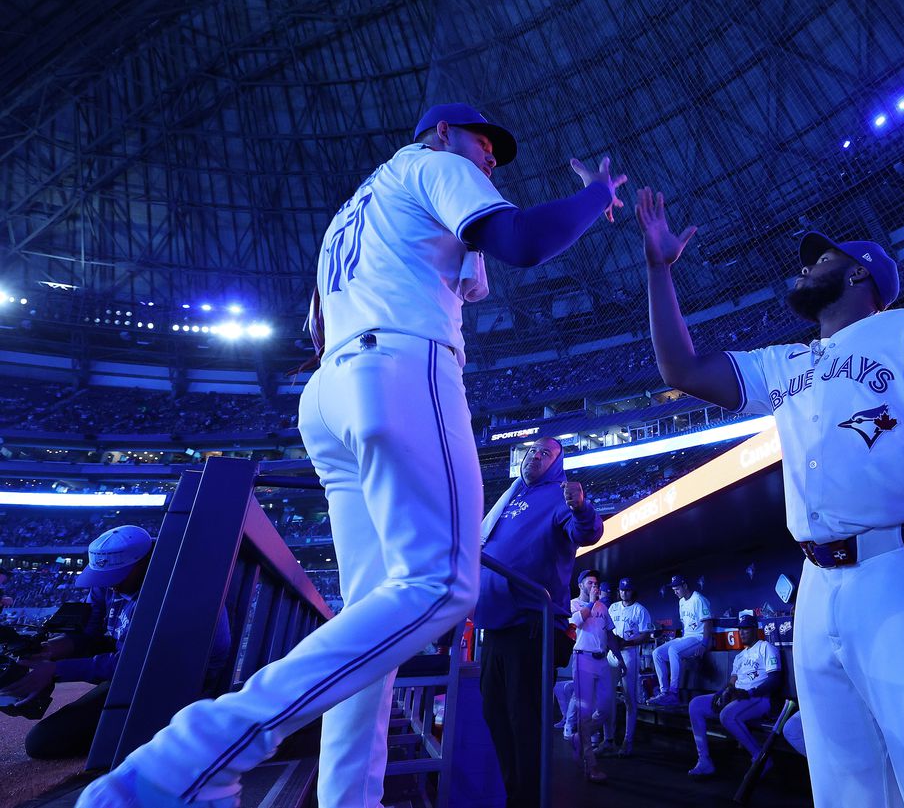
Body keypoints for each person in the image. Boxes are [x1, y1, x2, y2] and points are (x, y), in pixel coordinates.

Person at [77, 104, 625, 808]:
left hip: (332, 391)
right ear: (439, 135)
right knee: (443, 584)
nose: (489, 158)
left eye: (493, 152)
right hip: (399, 366)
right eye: (481, 143)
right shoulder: (433, 165)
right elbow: (520, 238)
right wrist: (595, 196)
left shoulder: (353, 211)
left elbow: (413, 291)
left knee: (375, 629)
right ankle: (196, 752)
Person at [634, 186, 904, 808]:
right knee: (845, 785)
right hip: (818, 583)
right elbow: (681, 369)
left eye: (821, 258)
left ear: (862, 272)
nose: (806, 266)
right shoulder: (785, 362)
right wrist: (658, 270)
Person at [1, 526, 230, 760]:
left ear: (143, 563)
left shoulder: (176, 591)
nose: (109, 584)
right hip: (133, 670)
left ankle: (173, 733)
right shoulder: (111, 582)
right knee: (48, 735)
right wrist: (49, 651)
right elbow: (91, 635)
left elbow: (145, 662)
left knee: (44, 742)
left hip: (174, 682)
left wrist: (56, 671)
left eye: (115, 576)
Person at [476, 437, 603, 806]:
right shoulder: (510, 497)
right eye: (532, 450)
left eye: (546, 452)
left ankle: (527, 799)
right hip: (495, 625)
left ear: (557, 464)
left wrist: (580, 507)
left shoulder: (558, 495)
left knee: (523, 719)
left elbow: (587, 532)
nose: (536, 455)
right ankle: (513, 793)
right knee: (494, 714)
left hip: (530, 624)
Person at [686, 612, 780, 777]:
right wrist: (722, 692)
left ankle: (761, 758)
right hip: (739, 697)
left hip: (758, 698)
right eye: (740, 629)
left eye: (746, 629)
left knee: (727, 715)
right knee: (696, 705)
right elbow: (732, 681)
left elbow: (775, 680)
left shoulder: (766, 648)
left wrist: (750, 692)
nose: (742, 632)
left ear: (754, 629)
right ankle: (704, 761)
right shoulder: (739, 656)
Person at [567, 570, 624, 783]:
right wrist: (590, 603)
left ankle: (577, 738)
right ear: (581, 585)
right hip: (583, 659)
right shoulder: (573, 604)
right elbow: (575, 624)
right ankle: (590, 766)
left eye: (596, 583)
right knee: (585, 712)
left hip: (601, 660)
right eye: (590, 583)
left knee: (607, 708)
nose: (594, 586)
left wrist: (619, 658)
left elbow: (609, 633)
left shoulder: (603, 607)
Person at [605, 576, 654, 756]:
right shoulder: (613, 607)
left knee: (629, 698)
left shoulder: (640, 610)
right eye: (622, 589)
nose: (624, 592)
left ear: (633, 590)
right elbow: (606, 630)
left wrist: (625, 643)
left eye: (627, 589)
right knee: (606, 697)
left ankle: (628, 740)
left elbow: (646, 636)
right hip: (612, 654)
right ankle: (608, 739)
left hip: (629, 654)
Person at [650, 575, 711, 704]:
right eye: (673, 589)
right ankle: (664, 692)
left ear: (685, 585)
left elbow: (708, 622)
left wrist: (704, 645)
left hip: (698, 638)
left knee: (673, 650)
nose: (675, 592)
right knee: (657, 653)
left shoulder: (698, 599)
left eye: (677, 588)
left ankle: (673, 693)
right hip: (687, 637)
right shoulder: (681, 601)